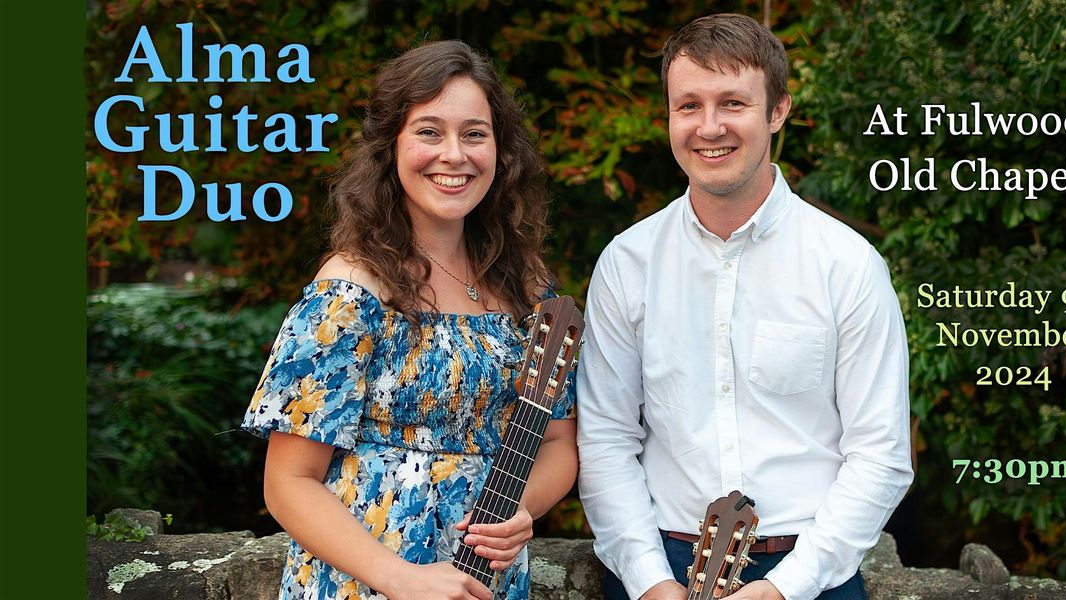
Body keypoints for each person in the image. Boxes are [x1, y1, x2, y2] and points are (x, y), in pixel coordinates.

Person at [576, 13, 913, 600]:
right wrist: (649, 579)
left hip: (809, 570)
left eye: (732, 103)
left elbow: (880, 455)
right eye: (689, 106)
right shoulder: (628, 263)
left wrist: (787, 587)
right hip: (661, 565)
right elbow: (605, 438)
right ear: (669, 116)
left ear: (777, 110)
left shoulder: (847, 264)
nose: (709, 127)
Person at [242, 40, 578, 600]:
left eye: (475, 133)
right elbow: (287, 483)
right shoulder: (351, 289)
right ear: (390, 146)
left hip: (483, 582)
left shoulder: (527, 287)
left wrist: (520, 508)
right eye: (428, 131)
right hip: (364, 584)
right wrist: (400, 578)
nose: (455, 154)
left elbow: (559, 442)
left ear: (501, 150)